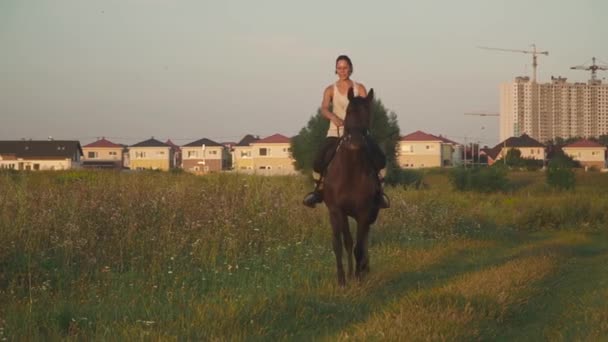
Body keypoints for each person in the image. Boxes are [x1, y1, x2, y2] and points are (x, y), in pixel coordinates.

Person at [302, 55, 390, 209]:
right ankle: (318, 191)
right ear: (336, 70)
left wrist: (363, 124)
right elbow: (323, 108)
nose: (342, 70)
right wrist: (333, 117)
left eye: (345, 67)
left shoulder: (359, 88)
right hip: (336, 132)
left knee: (379, 157)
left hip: (358, 133)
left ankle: (379, 192)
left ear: (350, 68)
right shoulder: (330, 89)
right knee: (319, 159)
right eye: (339, 68)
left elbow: (366, 107)